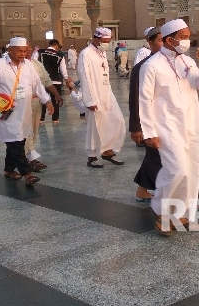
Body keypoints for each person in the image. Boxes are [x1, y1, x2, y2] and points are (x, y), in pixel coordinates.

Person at [139, 19, 199, 235]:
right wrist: (148, 132)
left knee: (191, 170)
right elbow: (144, 100)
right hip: (166, 126)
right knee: (176, 169)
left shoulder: (188, 62)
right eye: (182, 37)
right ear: (169, 39)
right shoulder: (151, 65)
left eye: (187, 36)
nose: (186, 41)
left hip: (190, 123)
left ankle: (181, 214)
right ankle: (161, 210)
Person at [0, 37, 53, 186]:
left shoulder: (28, 65)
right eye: (19, 51)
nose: (23, 54)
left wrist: (47, 100)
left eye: (24, 51)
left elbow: (37, 84)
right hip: (7, 113)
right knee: (15, 143)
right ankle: (27, 173)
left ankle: (9, 170)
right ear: (10, 50)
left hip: (24, 113)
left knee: (17, 141)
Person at [78, 27, 126, 168]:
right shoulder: (86, 53)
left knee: (117, 121)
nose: (106, 44)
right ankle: (91, 157)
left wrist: (109, 94)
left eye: (108, 41)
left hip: (106, 93)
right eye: (104, 41)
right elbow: (84, 77)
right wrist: (89, 100)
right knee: (95, 126)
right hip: (93, 95)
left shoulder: (102, 53)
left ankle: (107, 150)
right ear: (96, 39)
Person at [129, 26, 164, 202]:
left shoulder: (170, 65)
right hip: (151, 123)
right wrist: (136, 128)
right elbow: (135, 99)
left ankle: (142, 190)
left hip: (167, 122)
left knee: (155, 157)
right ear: (150, 43)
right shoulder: (143, 67)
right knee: (157, 156)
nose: (164, 44)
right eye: (160, 40)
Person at [25, 42, 63, 170]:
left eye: (30, 48)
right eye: (25, 49)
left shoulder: (36, 64)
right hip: (21, 103)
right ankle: (30, 159)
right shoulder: (10, 65)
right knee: (26, 132)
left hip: (36, 101)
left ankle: (24, 158)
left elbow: (46, 81)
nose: (29, 50)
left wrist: (55, 95)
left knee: (34, 131)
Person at [38, 39, 68, 124]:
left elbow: (35, 64)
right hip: (56, 81)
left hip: (43, 81)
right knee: (56, 100)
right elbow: (63, 70)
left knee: (43, 99)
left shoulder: (40, 52)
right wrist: (66, 78)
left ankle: (41, 118)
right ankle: (55, 119)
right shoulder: (60, 55)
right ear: (56, 46)